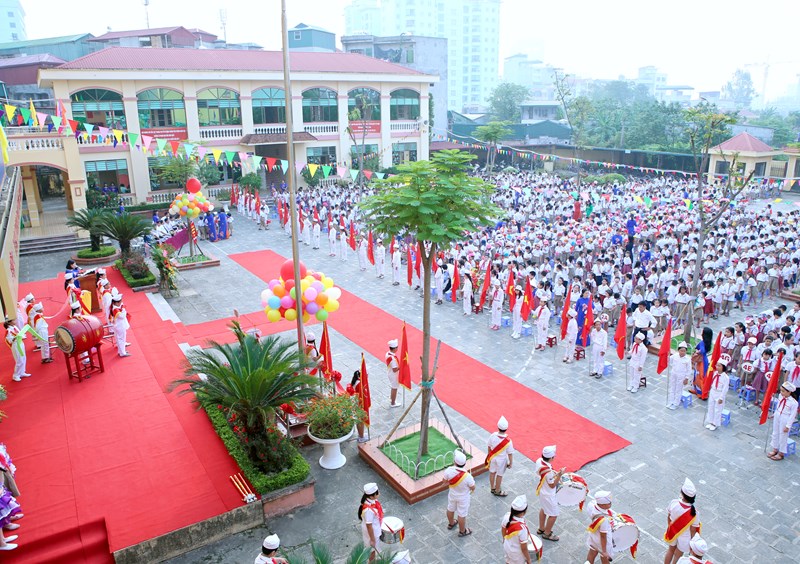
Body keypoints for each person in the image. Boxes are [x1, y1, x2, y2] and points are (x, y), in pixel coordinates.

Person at [663, 478, 700, 564]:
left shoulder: (674, 503)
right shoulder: (695, 512)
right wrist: (693, 542)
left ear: (682, 494)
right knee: (678, 555)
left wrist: (670, 527)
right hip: (685, 537)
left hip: (673, 531)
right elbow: (693, 530)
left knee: (670, 550)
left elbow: (668, 516)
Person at [535, 444, 565, 542]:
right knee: (553, 514)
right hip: (549, 494)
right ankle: (547, 533)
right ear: (551, 458)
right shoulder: (549, 472)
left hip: (542, 491)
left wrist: (554, 473)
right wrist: (559, 475)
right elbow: (552, 485)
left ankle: (541, 528)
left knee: (543, 509)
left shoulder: (539, 461)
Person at [443, 450, 475, 537]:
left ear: (455, 462)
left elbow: (444, 482)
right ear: (464, 463)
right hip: (463, 497)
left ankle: (451, 523)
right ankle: (462, 531)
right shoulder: (468, 476)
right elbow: (473, 487)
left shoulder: (449, 471)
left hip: (452, 494)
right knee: (462, 514)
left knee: (450, 508)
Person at [767, 381, 798, 461]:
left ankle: (781, 453)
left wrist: (788, 426)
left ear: (789, 392)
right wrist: (774, 414)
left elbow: (792, 415)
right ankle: (775, 448)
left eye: (783, 391)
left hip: (785, 418)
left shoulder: (794, 403)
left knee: (783, 436)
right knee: (775, 433)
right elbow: (779, 406)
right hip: (778, 415)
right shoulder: (781, 396)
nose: (781, 392)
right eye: (781, 390)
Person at [501, 495, 533, 564]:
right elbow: (524, 548)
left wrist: (504, 540)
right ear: (523, 513)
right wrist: (528, 559)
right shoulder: (522, 529)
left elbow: (503, 529)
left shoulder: (507, 516)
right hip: (517, 554)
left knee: (508, 561)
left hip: (507, 546)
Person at [487, 415, 514, 497]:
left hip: (493, 458)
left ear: (498, 427)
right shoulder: (508, 441)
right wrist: (510, 463)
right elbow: (510, 453)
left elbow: (489, 446)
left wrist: (490, 457)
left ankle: (492, 488)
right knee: (500, 474)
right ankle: (498, 490)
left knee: (492, 473)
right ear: (506, 428)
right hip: (502, 460)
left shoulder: (492, 435)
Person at [584, 491, 614, 564]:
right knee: (604, 557)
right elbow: (603, 536)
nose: (611, 503)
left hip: (594, 535)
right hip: (602, 541)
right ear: (602, 505)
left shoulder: (591, 504)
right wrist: (604, 551)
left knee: (592, 552)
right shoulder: (604, 520)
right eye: (609, 503)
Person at [358, 482, 383, 559]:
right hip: (372, 533)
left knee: (374, 549)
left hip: (374, 528)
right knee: (372, 551)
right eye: (377, 492)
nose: (379, 493)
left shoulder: (370, 501)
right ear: (372, 496)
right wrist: (372, 540)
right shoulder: (368, 510)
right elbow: (369, 526)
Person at [703, 359, 729, 431]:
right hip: (713, 391)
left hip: (719, 393)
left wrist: (721, 397)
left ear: (723, 367)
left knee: (717, 409)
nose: (717, 367)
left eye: (719, 366)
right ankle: (710, 421)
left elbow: (725, 389)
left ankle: (715, 423)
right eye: (716, 365)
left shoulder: (725, 378)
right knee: (711, 407)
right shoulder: (715, 373)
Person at [667, 342, 692, 409]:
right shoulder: (675, 356)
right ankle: (671, 401)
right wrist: (668, 355)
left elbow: (689, 370)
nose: (682, 352)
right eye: (681, 351)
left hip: (681, 376)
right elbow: (669, 360)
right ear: (678, 350)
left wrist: (686, 378)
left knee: (678, 389)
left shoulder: (687, 359)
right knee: (672, 388)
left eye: (684, 351)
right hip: (674, 374)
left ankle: (676, 403)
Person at [346, 370, 368, 443]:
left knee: (359, 419)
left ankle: (360, 435)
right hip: (358, 402)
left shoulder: (356, 381)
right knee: (360, 420)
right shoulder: (359, 384)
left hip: (356, 401)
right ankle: (361, 437)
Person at [109, 291, 131, 357]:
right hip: (120, 326)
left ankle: (121, 351)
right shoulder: (116, 309)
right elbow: (122, 316)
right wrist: (124, 309)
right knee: (121, 339)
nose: (121, 303)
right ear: (117, 303)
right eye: (120, 301)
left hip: (119, 326)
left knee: (120, 339)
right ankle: (122, 353)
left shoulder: (116, 308)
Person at [385, 339, 401, 407]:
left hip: (390, 373)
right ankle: (393, 403)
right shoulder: (392, 358)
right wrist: (401, 367)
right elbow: (395, 369)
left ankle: (392, 399)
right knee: (394, 388)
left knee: (393, 387)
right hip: (393, 374)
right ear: (394, 348)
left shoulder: (388, 354)